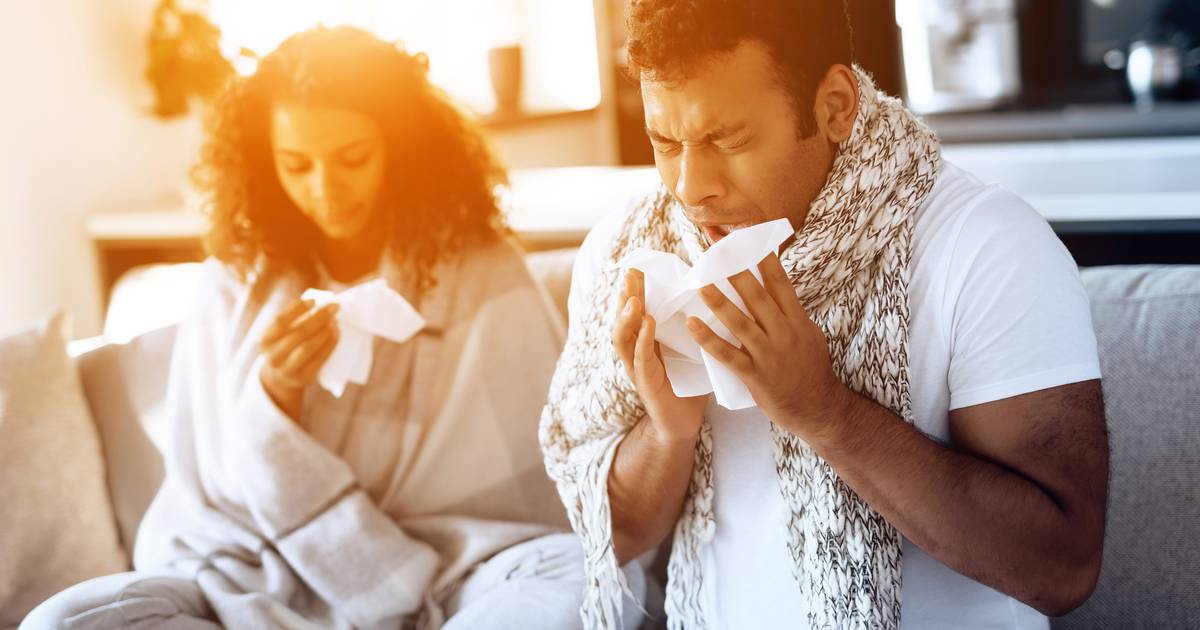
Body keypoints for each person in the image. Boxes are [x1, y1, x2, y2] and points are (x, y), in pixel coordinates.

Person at [25, 26, 644, 630]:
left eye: (353, 158)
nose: (325, 190)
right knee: (65, 618)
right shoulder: (234, 281)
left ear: (399, 145)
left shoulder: (481, 269)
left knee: (585, 586)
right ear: (264, 164)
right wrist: (273, 400)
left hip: (452, 567)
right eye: (295, 165)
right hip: (257, 570)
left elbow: (548, 473)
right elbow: (209, 481)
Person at [540, 1, 1108, 629]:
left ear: (834, 106)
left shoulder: (985, 245)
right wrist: (665, 433)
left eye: (727, 139)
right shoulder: (633, 256)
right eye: (665, 143)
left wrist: (824, 410)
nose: (689, 185)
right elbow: (614, 537)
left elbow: (1063, 568)